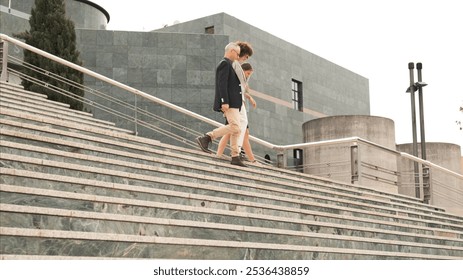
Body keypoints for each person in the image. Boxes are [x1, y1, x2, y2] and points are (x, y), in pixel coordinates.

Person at [195, 42, 246, 167]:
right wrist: (224, 101)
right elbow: (221, 84)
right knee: (236, 128)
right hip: (230, 103)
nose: (238, 57)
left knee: (236, 130)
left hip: (235, 103)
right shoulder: (224, 64)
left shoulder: (230, 65)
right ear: (232, 51)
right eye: (238, 54)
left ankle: (235, 156)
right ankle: (207, 137)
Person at [216, 62, 258, 164]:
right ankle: (220, 149)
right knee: (232, 131)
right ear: (242, 71)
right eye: (248, 73)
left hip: (240, 108)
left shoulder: (242, 81)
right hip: (235, 108)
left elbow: (242, 92)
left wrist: (250, 97)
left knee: (243, 133)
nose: (248, 76)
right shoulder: (237, 77)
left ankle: (248, 157)